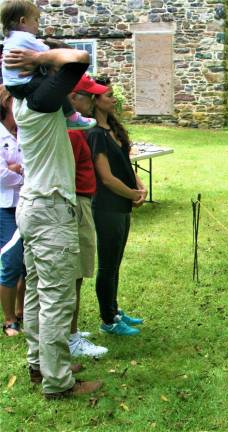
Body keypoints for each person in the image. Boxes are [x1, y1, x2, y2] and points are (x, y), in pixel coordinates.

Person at [4, 40, 102, 397]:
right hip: (51, 209)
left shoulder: (27, 102)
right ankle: (58, 382)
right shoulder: (42, 104)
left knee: (35, 294)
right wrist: (40, 57)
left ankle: (39, 365)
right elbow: (77, 60)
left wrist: (36, 58)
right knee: (57, 297)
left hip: (33, 206)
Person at [87, 77, 146, 336]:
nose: (113, 99)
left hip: (123, 204)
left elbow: (126, 164)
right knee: (108, 264)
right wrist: (132, 193)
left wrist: (140, 188)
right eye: (108, 95)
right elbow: (107, 177)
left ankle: (114, 309)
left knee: (116, 261)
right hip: (107, 206)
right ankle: (108, 320)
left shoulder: (114, 128)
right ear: (95, 102)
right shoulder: (95, 135)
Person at [0, 0, 95, 130]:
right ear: (23, 21)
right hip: (25, 84)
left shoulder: (10, 38)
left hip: (13, 86)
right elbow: (46, 52)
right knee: (55, 81)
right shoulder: (24, 37)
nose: (38, 25)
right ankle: (72, 118)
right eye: (36, 20)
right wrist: (45, 50)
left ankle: (70, 116)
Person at [66, 74, 109, 357]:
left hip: (82, 201)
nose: (93, 101)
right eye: (88, 96)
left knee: (79, 273)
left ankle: (71, 330)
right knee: (74, 274)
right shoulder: (70, 133)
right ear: (73, 98)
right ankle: (69, 338)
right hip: (75, 204)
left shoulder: (78, 129)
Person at [0, 86, 25, 336]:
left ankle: (21, 310)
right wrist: (21, 174)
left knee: (27, 262)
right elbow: (2, 176)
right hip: (6, 206)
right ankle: (8, 320)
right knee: (10, 261)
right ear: (7, 102)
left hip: (27, 203)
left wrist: (17, 169)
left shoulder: (24, 131)